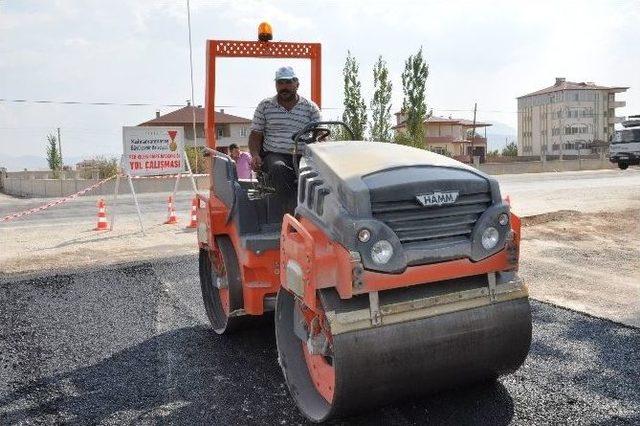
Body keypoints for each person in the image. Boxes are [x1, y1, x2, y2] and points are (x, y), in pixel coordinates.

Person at [248, 66, 322, 212]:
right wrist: (255, 155)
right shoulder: (265, 106)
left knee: (325, 173)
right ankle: (293, 214)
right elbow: (256, 134)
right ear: (276, 85)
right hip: (274, 154)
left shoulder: (310, 108)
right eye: (280, 83)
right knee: (279, 168)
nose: (284, 87)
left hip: (303, 156)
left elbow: (319, 134)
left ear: (297, 84)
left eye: (288, 82)